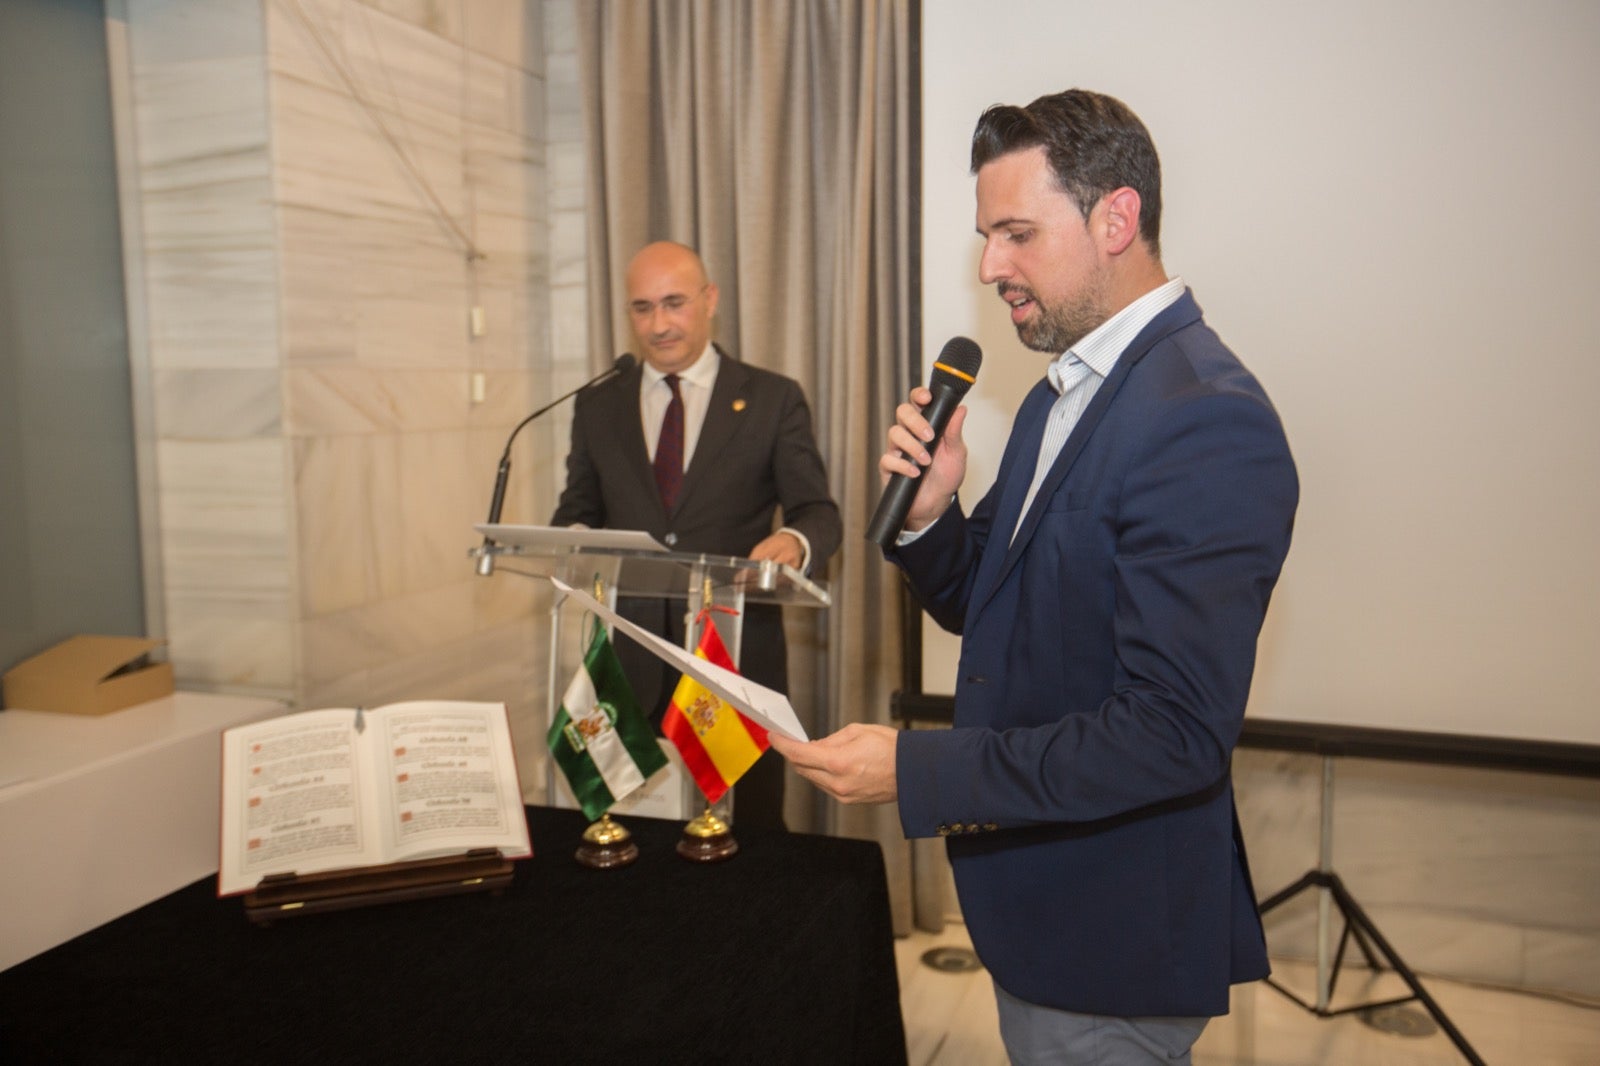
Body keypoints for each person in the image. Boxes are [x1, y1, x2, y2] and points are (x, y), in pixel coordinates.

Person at [771, 90, 1298, 1063]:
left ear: (1115, 217)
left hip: (1111, 941)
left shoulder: (1203, 417)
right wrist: (930, 516)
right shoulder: (1069, 388)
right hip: (1042, 914)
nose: (988, 267)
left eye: (1015, 233)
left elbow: (1172, 733)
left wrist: (913, 768)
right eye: (985, 236)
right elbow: (1000, 608)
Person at [552, 240, 841, 831]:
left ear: (710, 300)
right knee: (630, 840)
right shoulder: (597, 404)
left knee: (747, 839)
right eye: (642, 308)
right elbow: (575, 511)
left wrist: (794, 543)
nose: (658, 324)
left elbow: (818, 512)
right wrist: (575, 540)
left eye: (674, 303)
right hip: (624, 667)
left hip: (733, 664)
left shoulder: (771, 398)